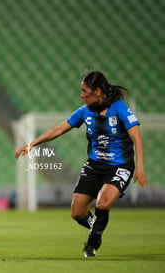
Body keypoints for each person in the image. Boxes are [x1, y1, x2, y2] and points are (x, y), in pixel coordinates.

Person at [15, 71, 147, 258]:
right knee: (77, 212)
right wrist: (32, 144)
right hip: (94, 165)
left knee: (103, 202)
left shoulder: (120, 109)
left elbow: (137, 138)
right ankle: (98, 227)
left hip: (120, 165)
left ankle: (92, 243)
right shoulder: (85, 111)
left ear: (98, 91)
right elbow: (60, 128)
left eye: (85, 91)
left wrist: (139, 168)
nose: (81, 95)